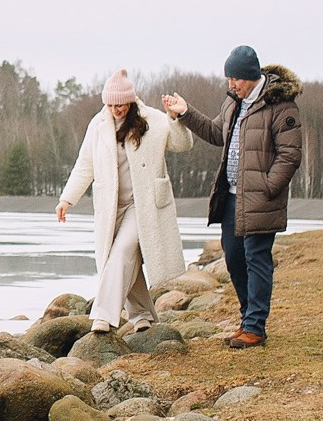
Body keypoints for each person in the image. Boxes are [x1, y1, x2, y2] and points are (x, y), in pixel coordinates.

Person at [162, 46, 303, 349]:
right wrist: (185, 112)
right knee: (235, 259)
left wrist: (267, 187)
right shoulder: (233, 104)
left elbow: (290, 155)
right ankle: (247, 320)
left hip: (262, 198)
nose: (232, 85)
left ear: (252, 76)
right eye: (229, 79)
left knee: (256, 258)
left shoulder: (282, 106)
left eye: (236, 79)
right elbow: (216, 133)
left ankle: (254, 327)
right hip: (231, 199)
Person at [55, 69, 194, 333]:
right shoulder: (97, 126)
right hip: (110, 207)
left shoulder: (152, 119)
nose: (115, 110)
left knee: (121, 252)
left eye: (120, 105)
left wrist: (176, 118)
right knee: (121, 257)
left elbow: (182, 144)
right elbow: (85, 165)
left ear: (130, 101)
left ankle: (104, 315)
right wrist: (67, 200)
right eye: (110, 105)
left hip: (142, 204)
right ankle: (142, 316)